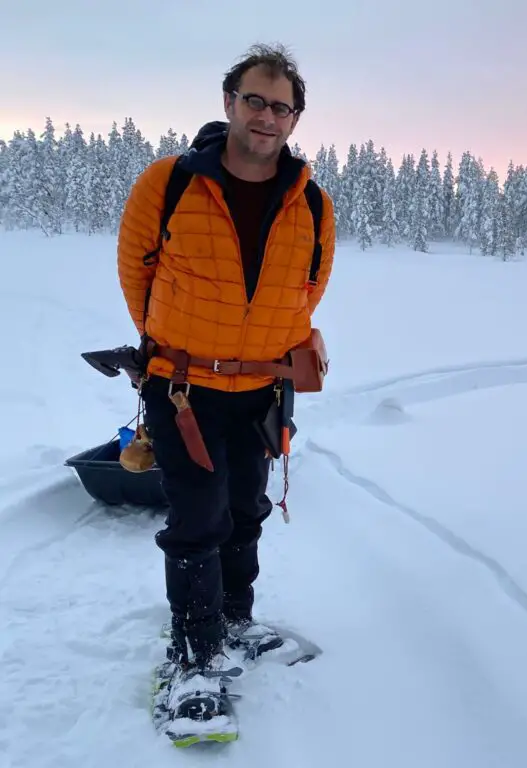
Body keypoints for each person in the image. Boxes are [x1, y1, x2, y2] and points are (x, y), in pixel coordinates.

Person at [116, 43, 336, 688]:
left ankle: (235, 621)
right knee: (198, 519)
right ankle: (194, 656)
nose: (266, 117)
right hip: (184, 388)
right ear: (228, 103)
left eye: (281, 107)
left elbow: (308, 288)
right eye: (254, 101)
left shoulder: (313, 202)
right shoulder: (170, 182)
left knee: (246, 510)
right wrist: (174, 345)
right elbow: (138, 274)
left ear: (295, 119)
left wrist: (258, 346)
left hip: (262, 388)